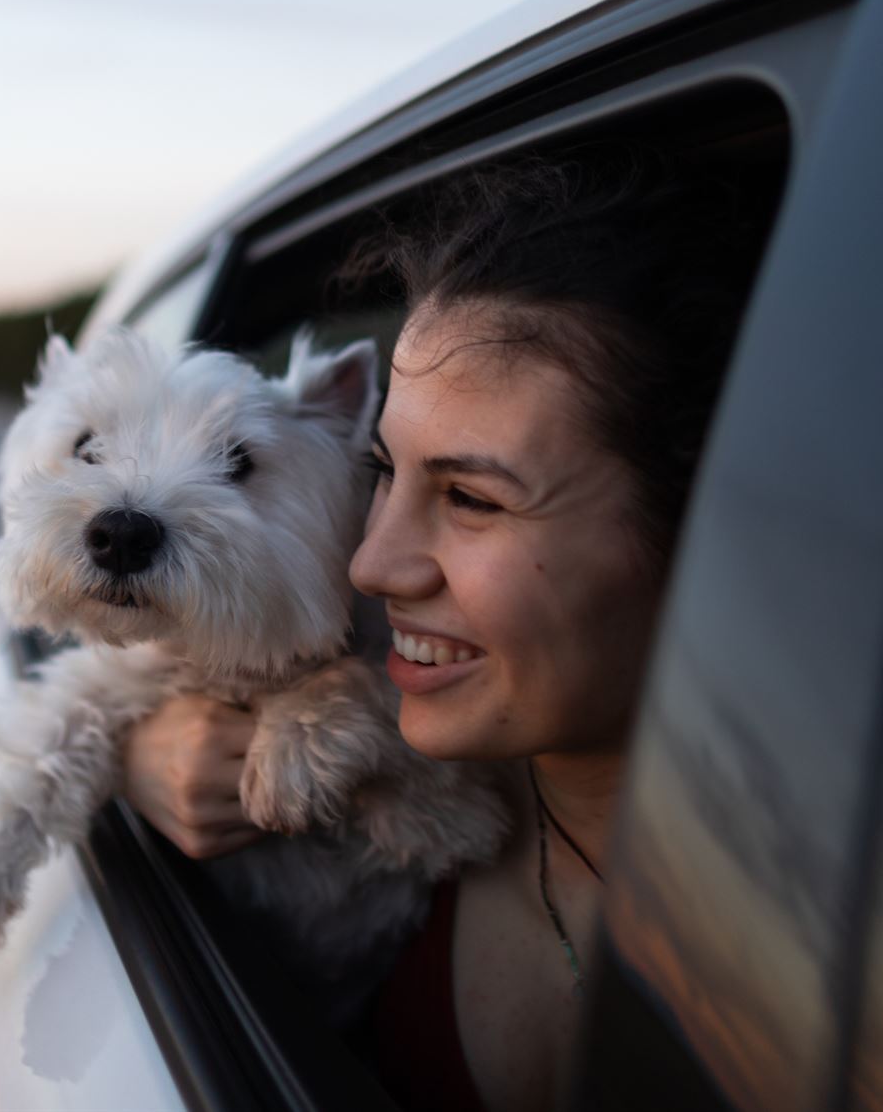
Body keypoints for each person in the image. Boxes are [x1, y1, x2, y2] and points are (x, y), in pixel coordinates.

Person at [121, 154, 775, 1112]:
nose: (371, 565)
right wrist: (139, 756)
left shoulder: (853, 954)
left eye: (471, 498)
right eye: (384, 471)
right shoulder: (402, 772)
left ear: (702, 527)